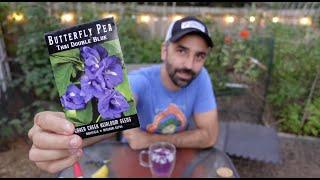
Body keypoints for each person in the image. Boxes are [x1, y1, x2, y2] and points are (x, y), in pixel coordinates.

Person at [28, 16, 219, 174]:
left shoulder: (201, 77)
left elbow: (209, 136)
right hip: (132, 162)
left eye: (199, 56)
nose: (189, 64)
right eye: (181, 51)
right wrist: (68, 135)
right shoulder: (141, 81)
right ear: (164, 51)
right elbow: (112, 118)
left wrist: (150, 140)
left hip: (177, 162)